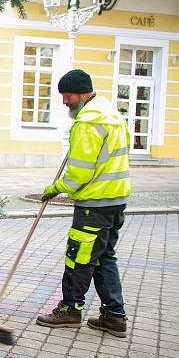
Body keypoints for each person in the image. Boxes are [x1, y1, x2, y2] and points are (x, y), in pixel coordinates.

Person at [36, 69, 131, 338]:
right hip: (116, 199)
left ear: (80, 93)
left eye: (67, 95)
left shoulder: (87, 122)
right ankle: (114, 316)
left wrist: (56, 188)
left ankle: (70, 310)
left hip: (95, 203)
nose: (64, 101)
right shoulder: (111, 114)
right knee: (103, 257)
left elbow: (80, 172)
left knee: (79, 257)